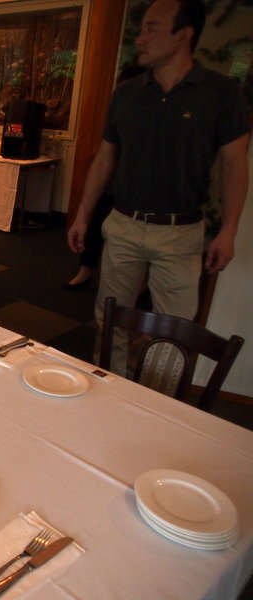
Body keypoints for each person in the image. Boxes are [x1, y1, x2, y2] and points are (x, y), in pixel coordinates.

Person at [67, 0, 250, 372]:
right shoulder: (127, 94)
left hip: (181, 231)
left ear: (184, 35)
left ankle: (156, 397)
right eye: (142, 28)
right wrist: (83, 215)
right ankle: (111, 390)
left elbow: (235, 165)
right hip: (124, 223)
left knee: (173, 332)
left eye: (152, 28)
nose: (141, 37)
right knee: (110, 320)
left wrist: (229, 231)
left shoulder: (221, 92)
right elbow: (105, 157)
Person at [62, 61, 146, 291]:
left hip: (134, 192)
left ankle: (140, 284)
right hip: (109, 183)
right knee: (93, 228)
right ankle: (85, 271)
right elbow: (104, 154)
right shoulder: (119, 114)